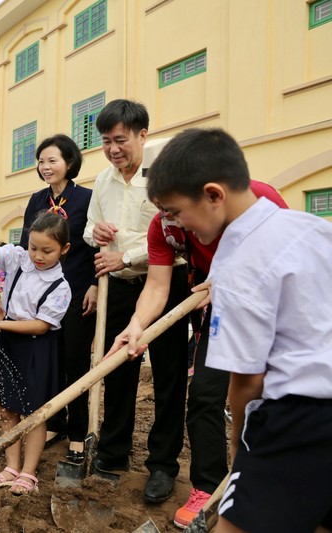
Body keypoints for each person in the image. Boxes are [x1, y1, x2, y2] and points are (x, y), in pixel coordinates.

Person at [145, 127, 332, 533]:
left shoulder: (236, 262)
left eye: (177, 211)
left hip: (300, 415)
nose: (176, 223)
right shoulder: (312, 228)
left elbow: (247, 379)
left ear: (213, 194)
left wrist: (241, 443)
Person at [109, 173, 287, 526]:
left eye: (175, 208)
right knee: (205, 395)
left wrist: (238, 277)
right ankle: (210, 486)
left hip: (280, 310)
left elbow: (288, 258)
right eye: (161, 208)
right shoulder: (164, 227)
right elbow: (157, 288)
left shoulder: (258, 200)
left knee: (276, 400)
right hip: (221, 311)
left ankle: (273, 480)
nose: (168, 218)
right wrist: (136, 325)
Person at [83, 100, 190, 504]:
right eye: (107, 141)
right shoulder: (103, 180)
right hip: (121, 286)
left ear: (143, 135)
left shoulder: (165, 166)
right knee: (117, 368)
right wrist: (99, 231)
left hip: (166, 282)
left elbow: (177, 230)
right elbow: (91, 229)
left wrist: (125, 255)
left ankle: (163, 465)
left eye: (121, 140)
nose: (113, 149)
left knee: (168, 373)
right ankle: (113, 452)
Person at [0, 211, 71, 495]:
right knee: (7, 409)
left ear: (64, 249)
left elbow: (41, 326)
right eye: (33, 248)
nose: (38, 256)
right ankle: (11, 467)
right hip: (8, 343)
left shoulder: (60, 287)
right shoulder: (19, 259)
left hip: (36, 348)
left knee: (34, 414)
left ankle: (28, 473)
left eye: (47, 251)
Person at [20, 133, 97, 462]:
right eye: (41, 161)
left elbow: (98, 245)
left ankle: (79, 429)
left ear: (70, 163)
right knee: (47, 361)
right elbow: (28, 249)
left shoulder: (87, 199)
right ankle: (55, 421)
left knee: (74, 361)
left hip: (78, 291)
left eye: (52, 160)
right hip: (42, 294)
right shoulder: (37, 200)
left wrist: (95, 283)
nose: (45, 166)